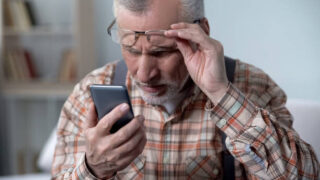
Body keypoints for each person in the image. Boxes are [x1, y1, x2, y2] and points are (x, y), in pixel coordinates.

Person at [51, 0, 319, 179]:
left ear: (200, 33)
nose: (144, 73)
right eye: (131, 50)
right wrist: (92, 168)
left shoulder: (254, 87)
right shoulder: (89, 92)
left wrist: (222, 94)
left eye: (162, 51)